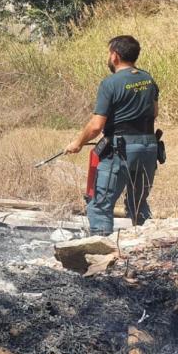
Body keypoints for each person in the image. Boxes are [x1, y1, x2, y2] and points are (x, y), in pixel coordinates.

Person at [64, 35, 160, 236]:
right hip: (150, 147)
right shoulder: (148, 79)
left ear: (115, 56)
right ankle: (146, 244)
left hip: (121, 150)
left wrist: (78, 143)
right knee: (138, 201)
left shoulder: (110, 83)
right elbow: (155, 112)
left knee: (99, 205)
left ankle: (101, 251)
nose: (108, 57)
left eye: (109, 53)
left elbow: (96, 126)